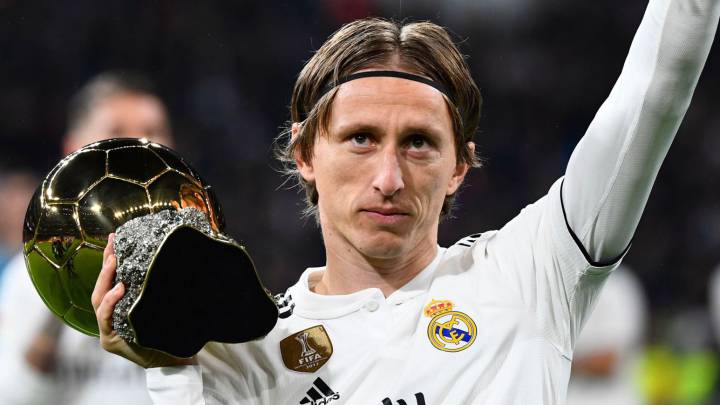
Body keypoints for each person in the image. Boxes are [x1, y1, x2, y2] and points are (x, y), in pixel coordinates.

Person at [93, 1, 720, 403]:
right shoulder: (244, 349)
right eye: (361, 139)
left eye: (419, 142)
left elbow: (656, 87)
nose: (389, 177)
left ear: (459, 166)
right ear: (306, 153)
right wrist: (169, 366)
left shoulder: (533, 272)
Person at [0, 71, 172, 405]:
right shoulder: (30, 275)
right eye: (115, 132)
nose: (137, 147)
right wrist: (61, 296)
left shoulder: (203, 267)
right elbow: (12, 396)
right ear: (73, 151)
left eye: (152, 132)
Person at [566, 265, 647, 405]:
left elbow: (609, 360)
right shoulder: (562, 279)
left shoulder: (617, 285)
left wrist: (558, 361)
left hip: (611, 398)